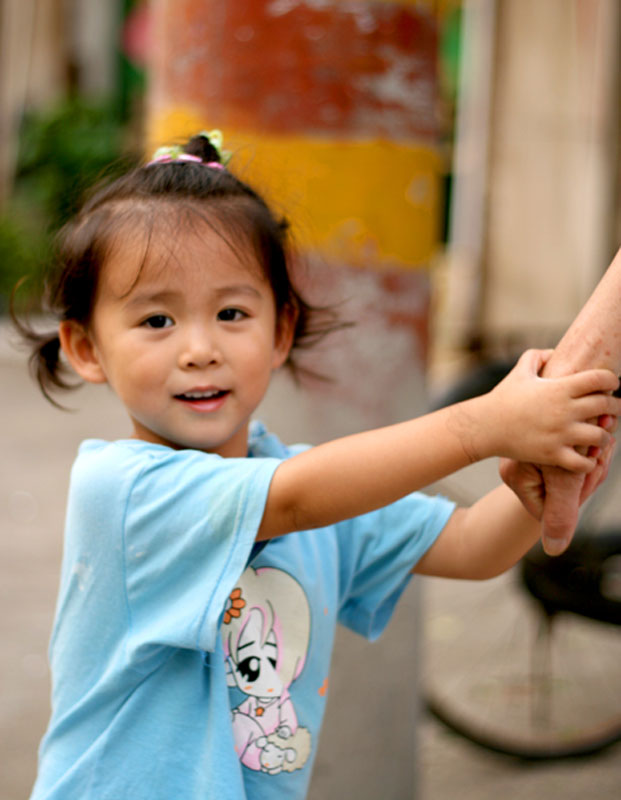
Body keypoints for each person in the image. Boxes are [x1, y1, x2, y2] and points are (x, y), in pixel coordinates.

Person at [15, 131, 621, 800]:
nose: (198, 348)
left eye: (230, 312)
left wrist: (542, 471)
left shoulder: (312, 489)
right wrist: (485, 424)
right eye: (156, 320)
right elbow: (296, 499)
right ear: (85, 347)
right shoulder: (123, 493)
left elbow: (472, 545)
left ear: (279, 331)